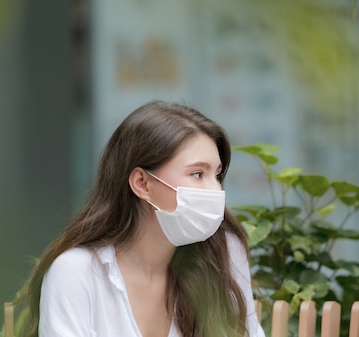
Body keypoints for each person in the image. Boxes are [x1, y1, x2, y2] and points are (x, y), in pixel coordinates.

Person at [19, 100, 265, 337]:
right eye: (198, 174)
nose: (216, 191)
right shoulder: (76, 272)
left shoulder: (222, 252)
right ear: (142, 183)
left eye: (217, 175)